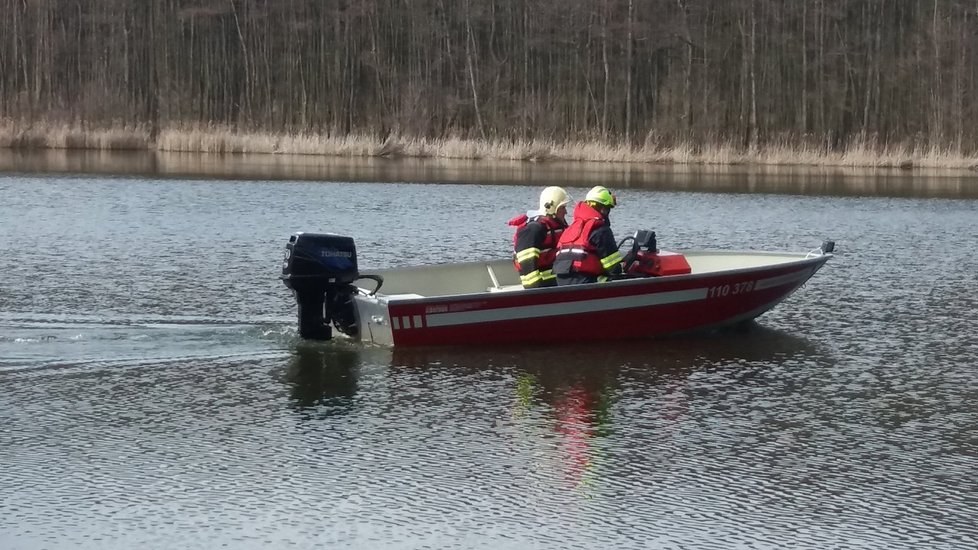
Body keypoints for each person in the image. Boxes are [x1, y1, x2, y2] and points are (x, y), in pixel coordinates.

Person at [553, 185, 623, 285]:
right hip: (584, 282)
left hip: (561, 283)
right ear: (603, 209)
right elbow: (614, 269)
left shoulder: (572, 227)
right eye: (608, 209)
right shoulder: (601, 230)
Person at [507, 186, 571, 288]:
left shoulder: (558, 225)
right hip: (544, 286)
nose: (566, 212)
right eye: (563, 208)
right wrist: (537, 291)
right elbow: (528, 268)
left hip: (558, 281)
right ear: (552, 208)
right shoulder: (534, 229)